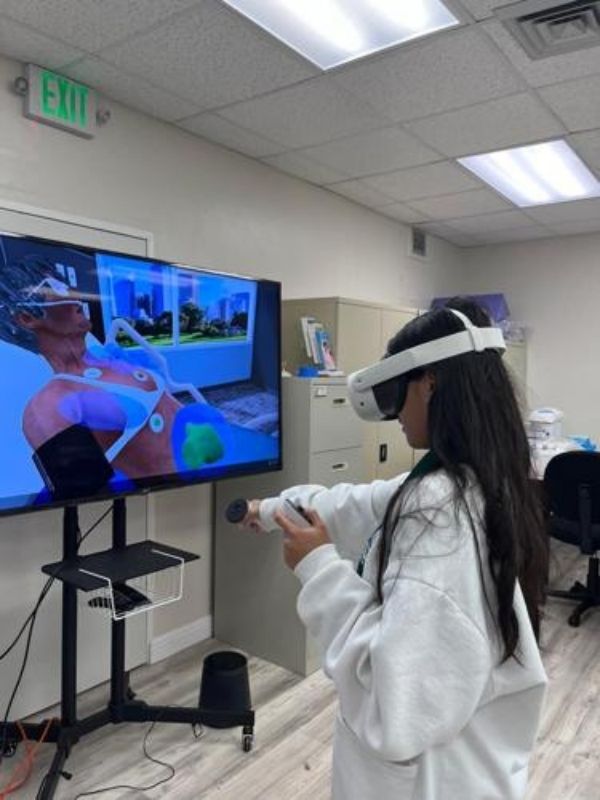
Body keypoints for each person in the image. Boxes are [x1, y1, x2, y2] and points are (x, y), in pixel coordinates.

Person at [241, 299, 548, 800]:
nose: (395, 416)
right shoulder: (469, 478)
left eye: (398, 394)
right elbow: (354, 503)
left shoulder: (440, 515)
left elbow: (395, 709)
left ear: (429, 383)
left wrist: (318, 568)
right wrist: (270, 507)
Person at [0, 253, 227, 498]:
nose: (74, 293)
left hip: (219, 468)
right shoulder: (48, 406)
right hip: (177, 495)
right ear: (27, 318)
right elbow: (85, 490)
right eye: (55, 287)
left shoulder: (111, 355)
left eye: (65, 283)